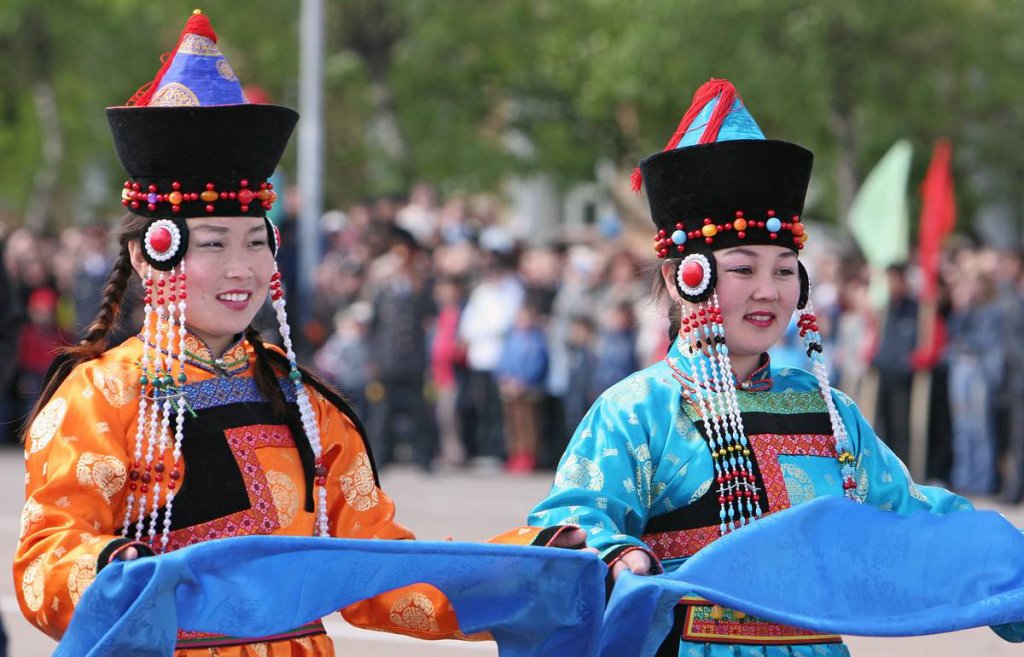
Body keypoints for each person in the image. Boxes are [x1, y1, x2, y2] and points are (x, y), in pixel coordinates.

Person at [12, 12, 581, 655]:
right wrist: (116, 572)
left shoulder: (302, 402)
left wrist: (530, 567)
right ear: (152, 253)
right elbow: (46, 558)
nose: (241, 267)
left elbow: (375, 565)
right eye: (215, 244)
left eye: (256, 242)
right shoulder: (100, 395)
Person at [516, 78, 1022, 655]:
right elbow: (571, 517)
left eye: (784, 270)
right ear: (680, 279)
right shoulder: (638, 408)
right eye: (743, 269)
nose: (768, 291)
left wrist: (1004, 563)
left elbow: (915, 519)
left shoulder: (826, 411)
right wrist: (618, 553)